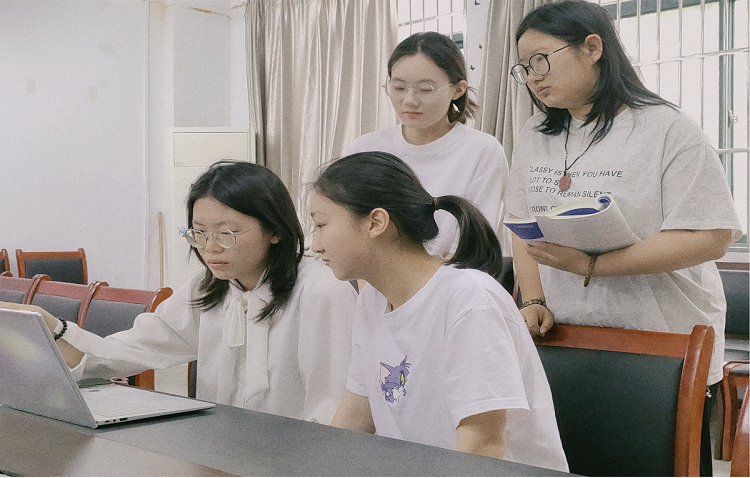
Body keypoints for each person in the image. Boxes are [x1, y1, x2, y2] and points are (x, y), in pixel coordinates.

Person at [503, 1, 742, 474]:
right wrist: (532, 298)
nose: (532, 77)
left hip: (662, 339)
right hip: (567, 335)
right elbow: (521, 225)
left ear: (593, 47)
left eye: (541, 61)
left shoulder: (666, 128)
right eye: (524, 68)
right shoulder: (535, 133)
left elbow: (711, 236)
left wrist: (592, 265)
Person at [6, 160, 357, 425]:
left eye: (226, 233)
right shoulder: (209, 288)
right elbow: (130, 350)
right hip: (223, 455)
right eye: (198, 233)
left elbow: (332, 408)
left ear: (275, 230)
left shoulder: (320, 291)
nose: (210, 248)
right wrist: (53, 327)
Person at [309, 151, 568, 472]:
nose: (315, 244)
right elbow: (358, 414)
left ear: (376, 222)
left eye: (321, 224)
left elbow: (484, 443)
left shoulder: (469, 299)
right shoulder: (371, 300)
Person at [347, 31, 507, 258]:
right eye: (399, 87)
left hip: (453, 283)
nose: (409, 100)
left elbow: (473, 245)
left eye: (425, 89)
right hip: (375, 282)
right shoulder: (365, 149)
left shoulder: (482, 151)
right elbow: (355, 231)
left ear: (458, 89)